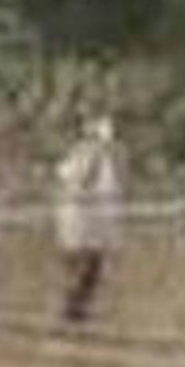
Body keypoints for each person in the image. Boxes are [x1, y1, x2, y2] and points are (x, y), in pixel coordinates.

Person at [55, 114, 122, 324]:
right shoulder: (85, 156)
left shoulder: (96, 158)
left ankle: (77, 312)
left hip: (93, 230)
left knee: (90, 272)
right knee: (81, 271)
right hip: (83, 229)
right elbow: (83, 182)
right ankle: (71, 313)